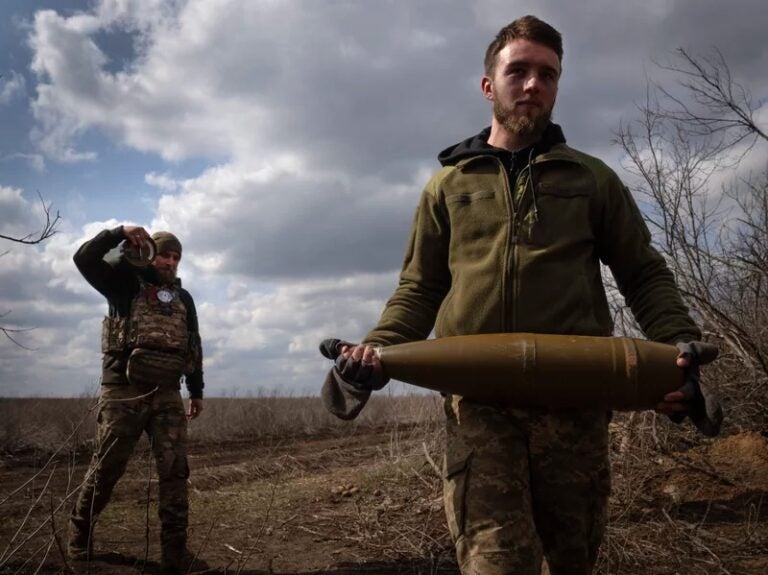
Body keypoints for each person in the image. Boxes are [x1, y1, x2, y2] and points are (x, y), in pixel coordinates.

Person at [325, 15, 719, 575]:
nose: (533, 84)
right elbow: (420, 287)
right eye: (519, 70)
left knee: (571, 561)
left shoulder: (593, 179)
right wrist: (375, 350)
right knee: (494, 564)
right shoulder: (447, 186)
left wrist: (677, 345)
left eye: (548, 74)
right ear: (490, 84)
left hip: (575, 403)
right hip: (478, 407)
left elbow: (643, 273)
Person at [68, 225, 206, 575]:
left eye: (176, 257)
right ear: (150, 252)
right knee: (107, 469)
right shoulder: (123, 282)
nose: (170, 262)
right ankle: (79, 536)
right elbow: (83, 258)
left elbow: (193, 343)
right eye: (164, 254)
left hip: (168, 392)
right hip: (123, 391)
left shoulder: (183, 297)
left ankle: (174, 555)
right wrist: (118, 233)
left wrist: (197, 389)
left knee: (175, 472)